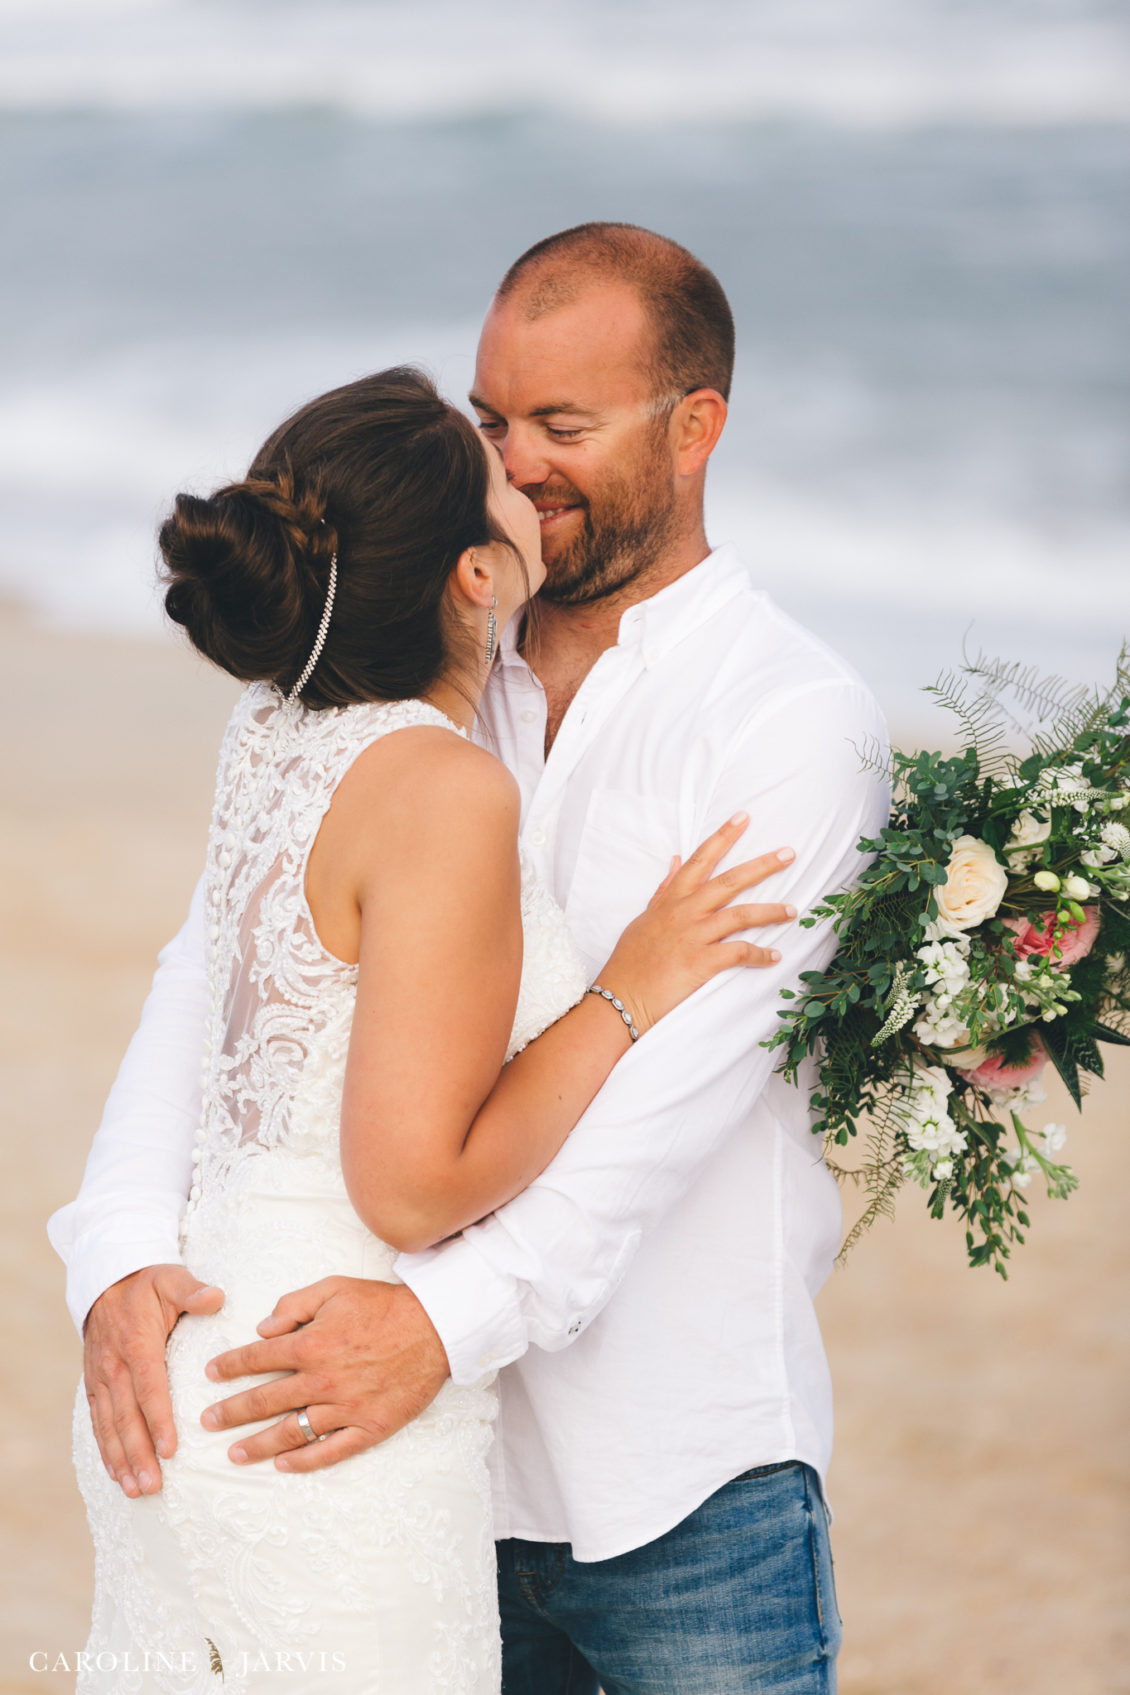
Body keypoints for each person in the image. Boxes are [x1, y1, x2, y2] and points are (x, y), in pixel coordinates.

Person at [52, 224, 890, 1694]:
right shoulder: (422, 655)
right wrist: (118, 1250)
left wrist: (440, 1327)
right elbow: (212, 971)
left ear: (695, 429)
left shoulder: (785, 724)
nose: (522, 458)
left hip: (668, 1482)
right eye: (496, 422)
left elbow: (664, 1116)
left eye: (564, 426)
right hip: (393, 1459)